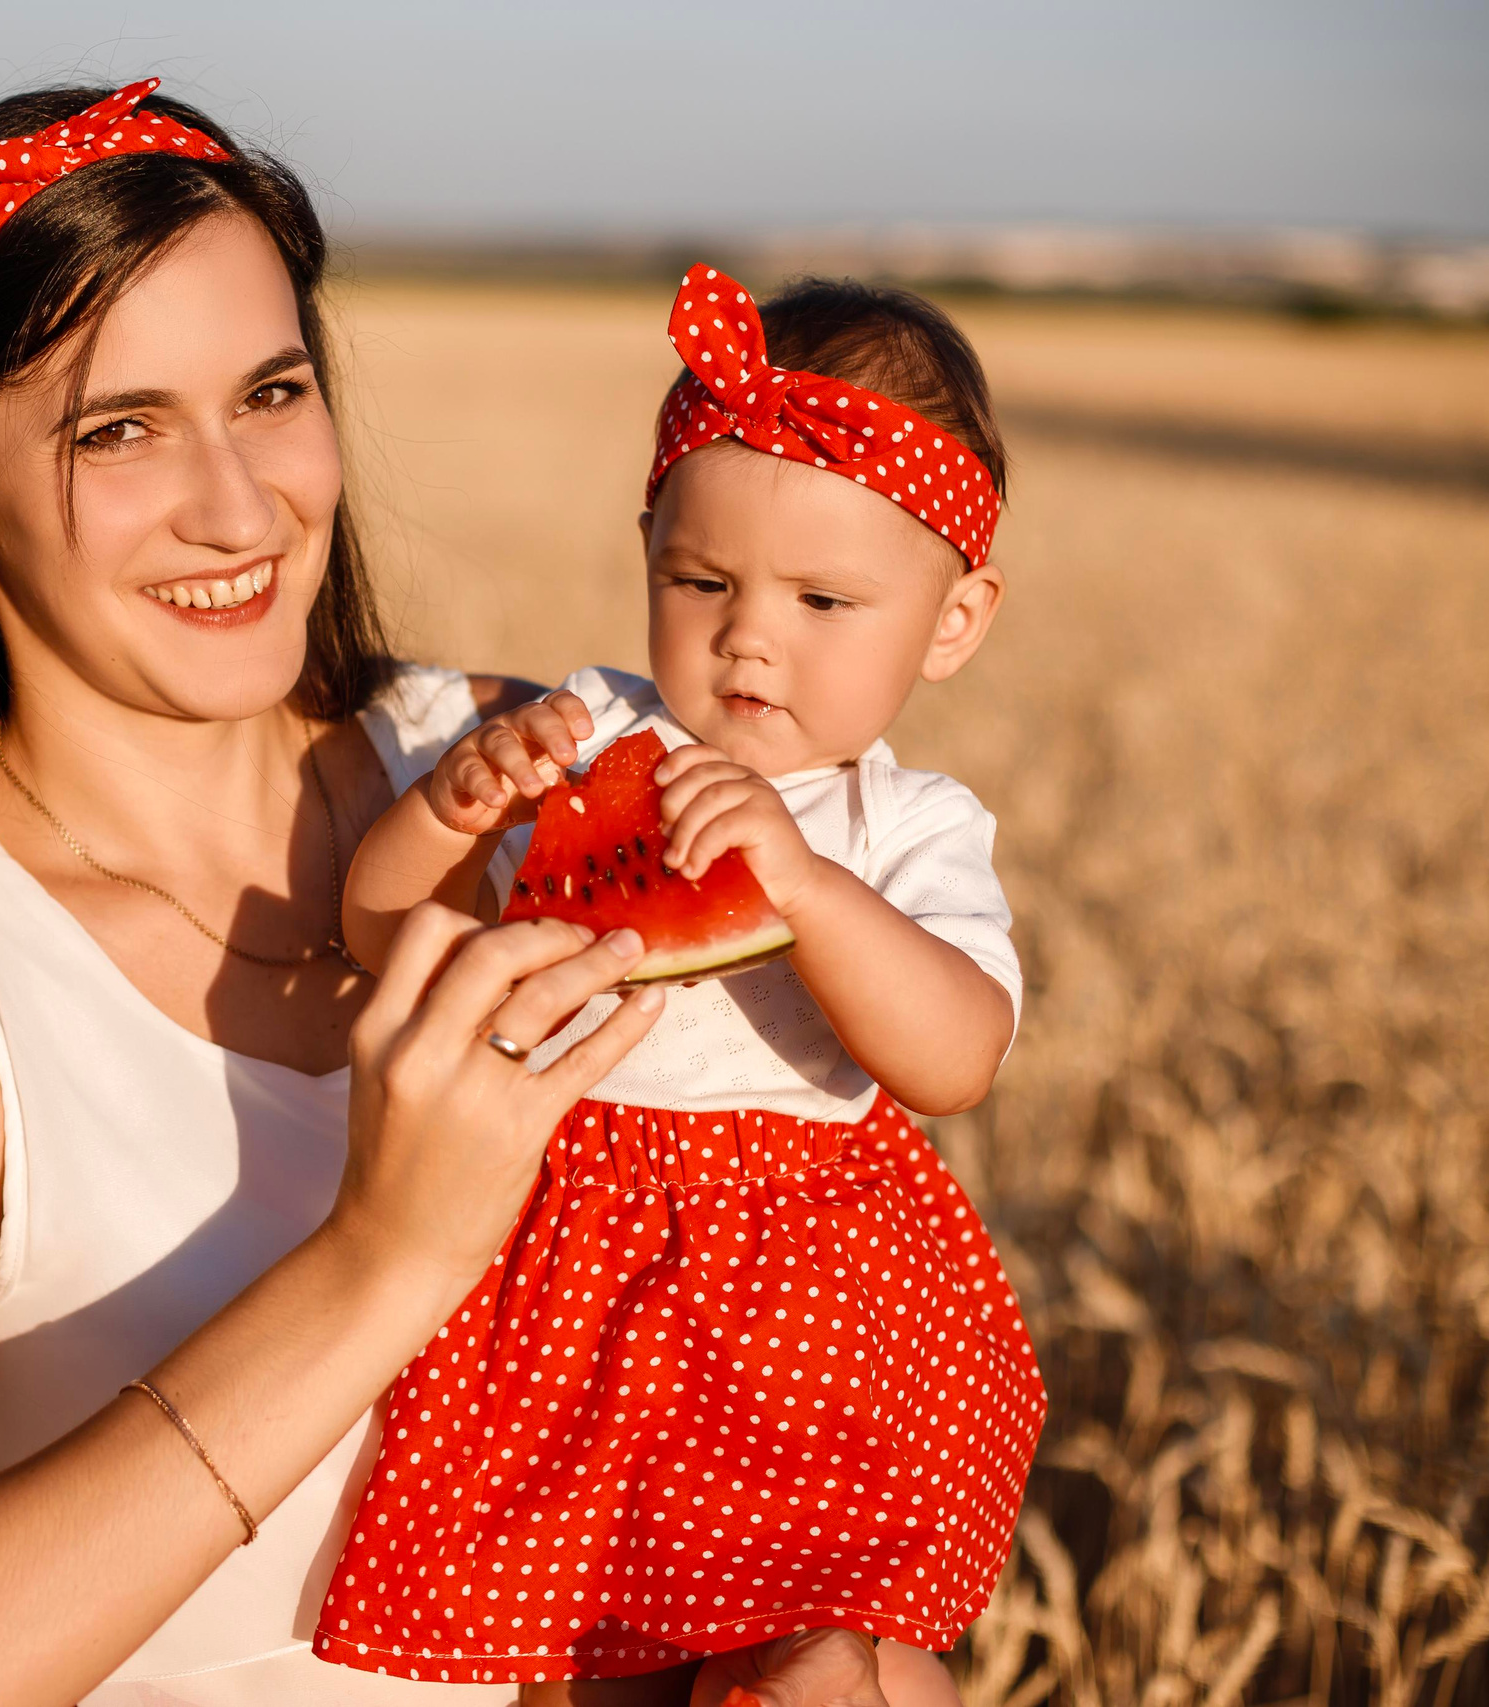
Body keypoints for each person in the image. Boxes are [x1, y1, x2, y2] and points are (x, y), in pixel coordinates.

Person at [0, 86, 902, 1707]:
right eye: (118, 428)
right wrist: (381, 1262)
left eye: (272, 392)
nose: (243, 506)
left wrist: (821, 1650)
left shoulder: (524, 765)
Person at [321, 266, 1049, 1704]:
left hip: (812, 1323)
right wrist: (458, 806)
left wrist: (804, 888)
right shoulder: (594, 731)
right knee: (577, 1658)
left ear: (953, 623)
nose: (748, 637)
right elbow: (374, 923)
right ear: (647, 551)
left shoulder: (905, 826)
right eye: (700, 582)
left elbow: (957, 1055)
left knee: (838, 1667)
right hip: (569, 1294)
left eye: (824, 598)